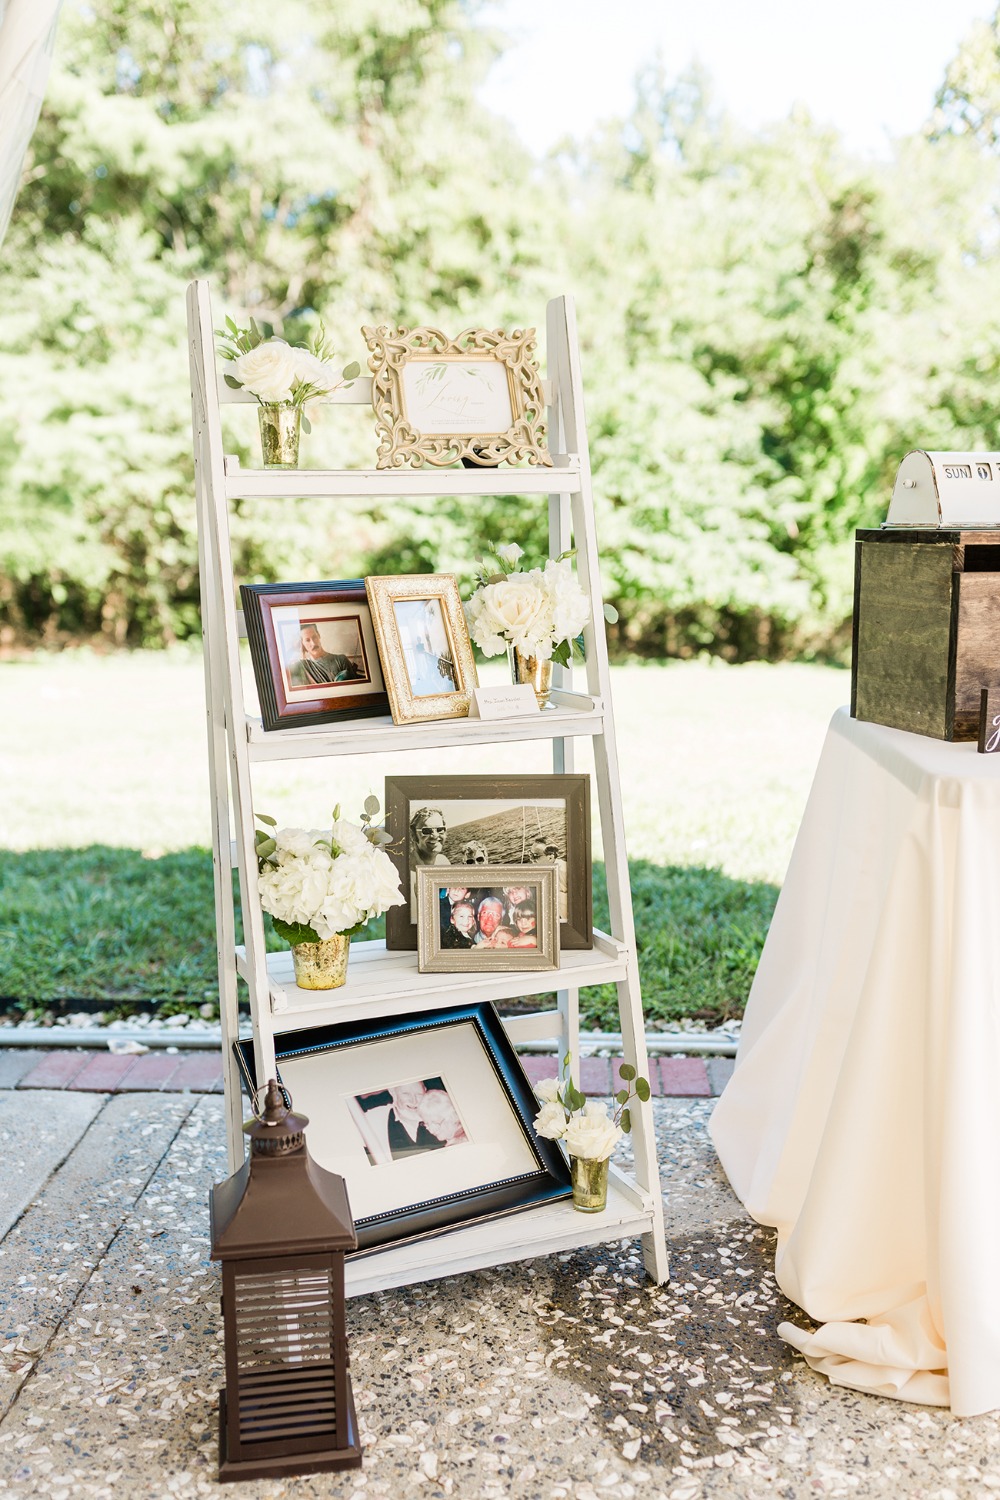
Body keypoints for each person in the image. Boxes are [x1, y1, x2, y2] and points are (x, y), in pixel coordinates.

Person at [288, 622, 361, 687]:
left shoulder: (341, 659)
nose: (313, 643)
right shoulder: (302, 666)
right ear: (302, 643)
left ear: (319, 635)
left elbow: (354, 689)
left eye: (314, 637)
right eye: (307, 640)